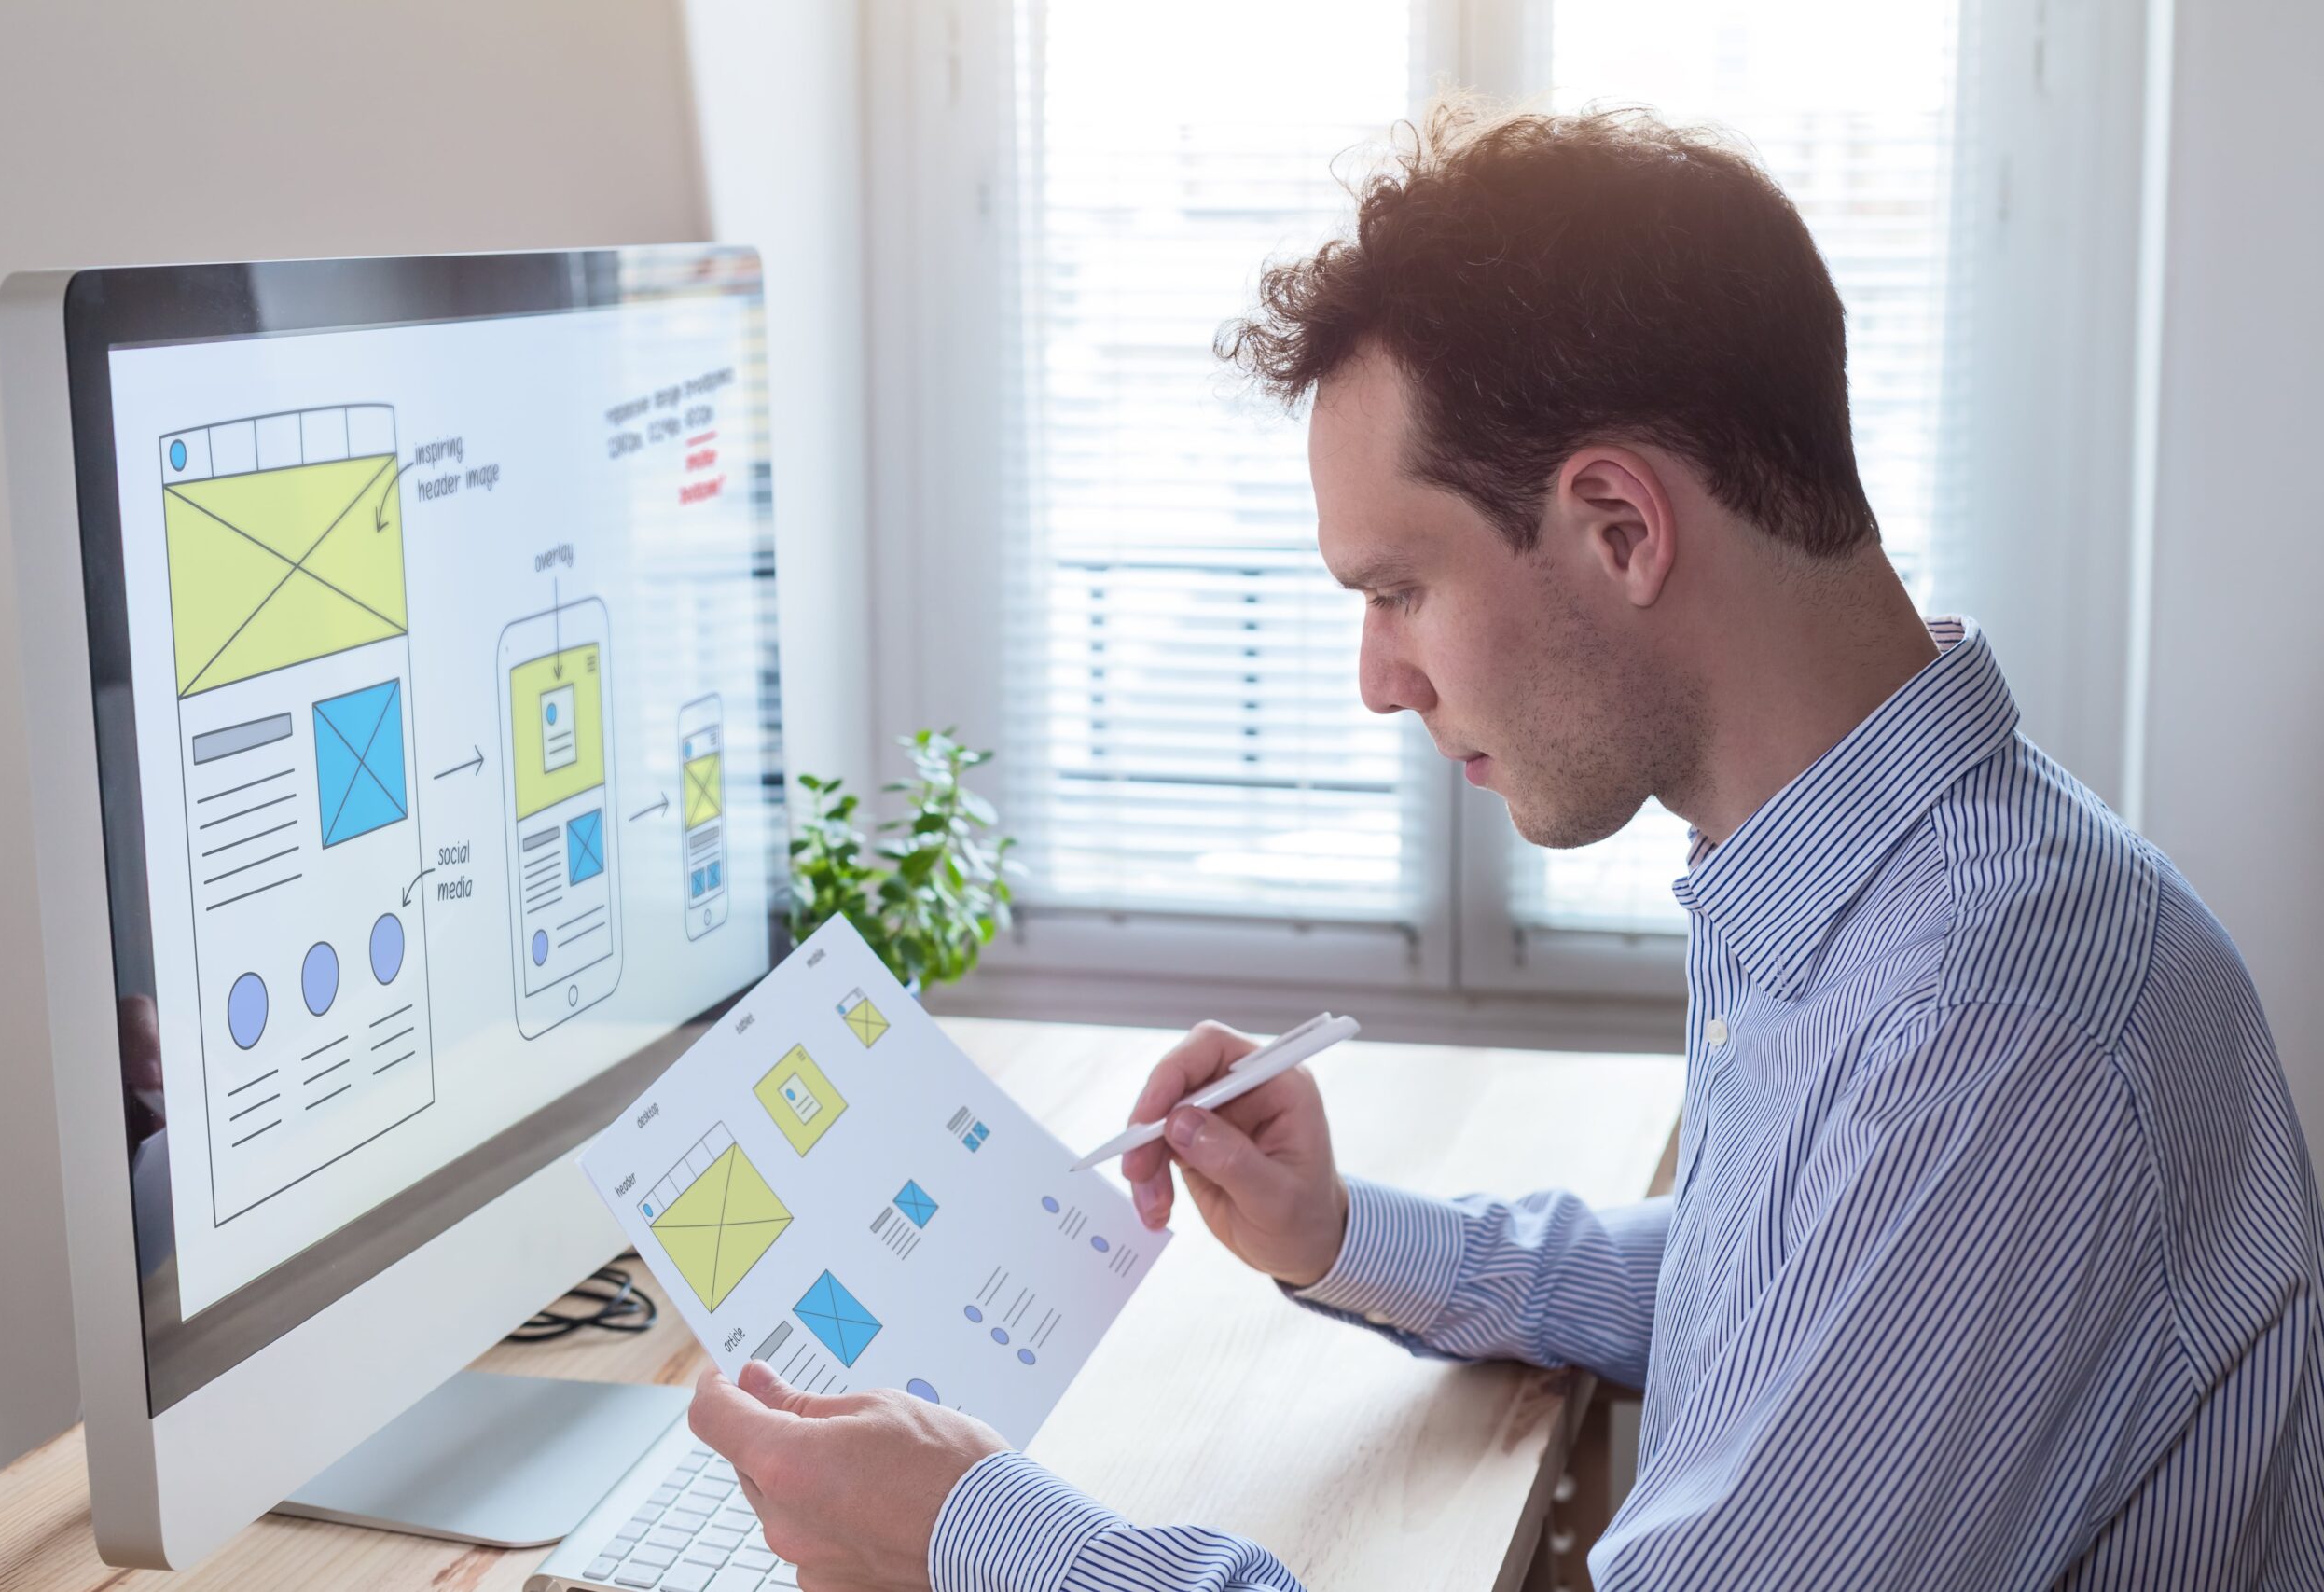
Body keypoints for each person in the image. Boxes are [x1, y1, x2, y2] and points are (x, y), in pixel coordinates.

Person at [685, 100, 2324, 1590]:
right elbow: (1766, 1298)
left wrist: (985, 1537)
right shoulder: (1886, 878)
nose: (1379, 677)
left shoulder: (1997, 1028)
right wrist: (1347, 1236)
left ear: (1620, 529)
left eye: (1399, 589)